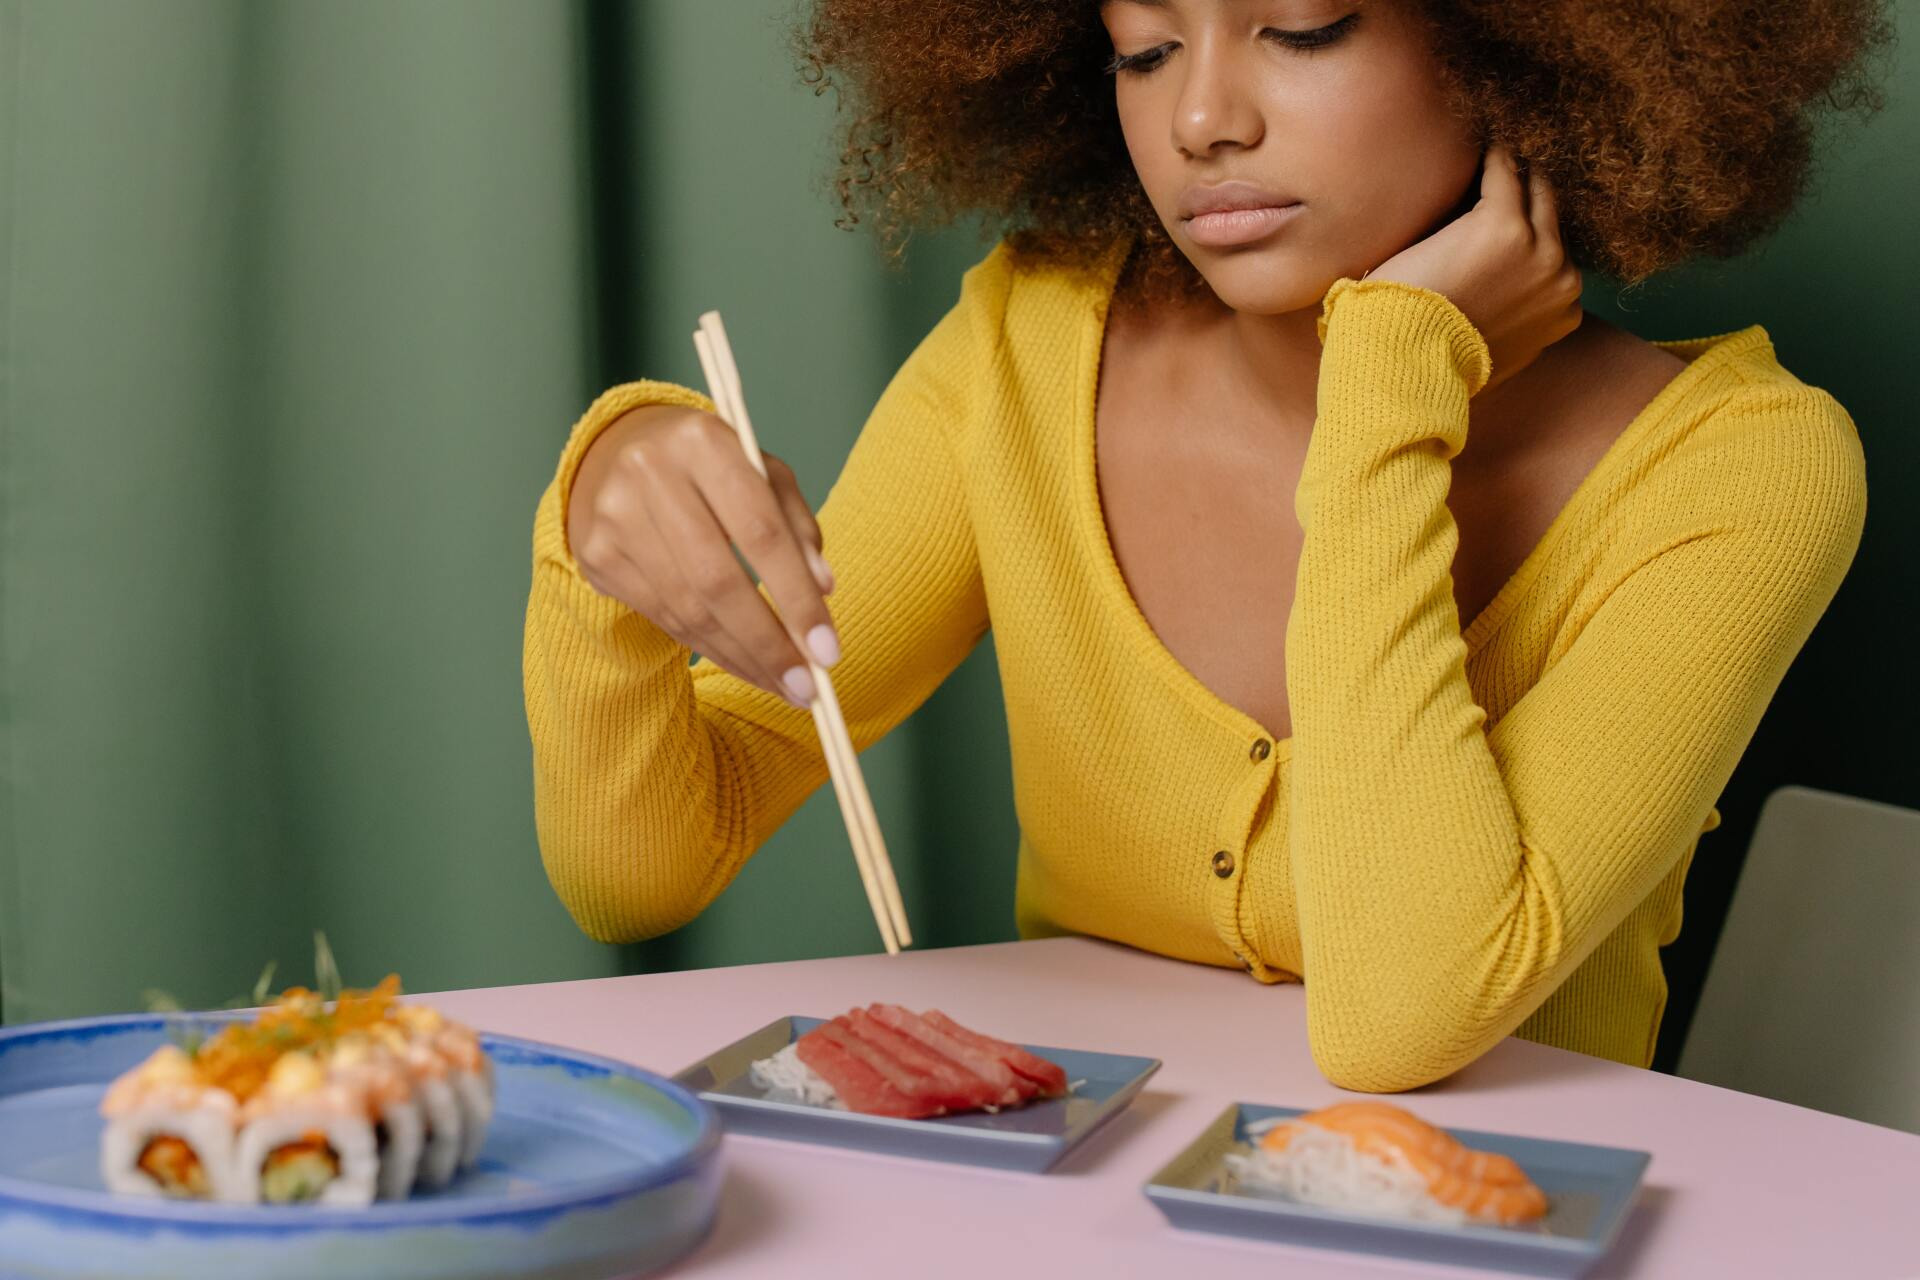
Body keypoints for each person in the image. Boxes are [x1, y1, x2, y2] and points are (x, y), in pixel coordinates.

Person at [523, 0, 1890, 1091]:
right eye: (1145, 47)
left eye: (1299, 31)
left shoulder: (1742, 469)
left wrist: (1392, 384)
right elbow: (639, 869)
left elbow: (1407, 1017)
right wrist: (603, 532)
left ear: (1512, 43)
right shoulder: (1029, 349)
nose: (1199, 119)